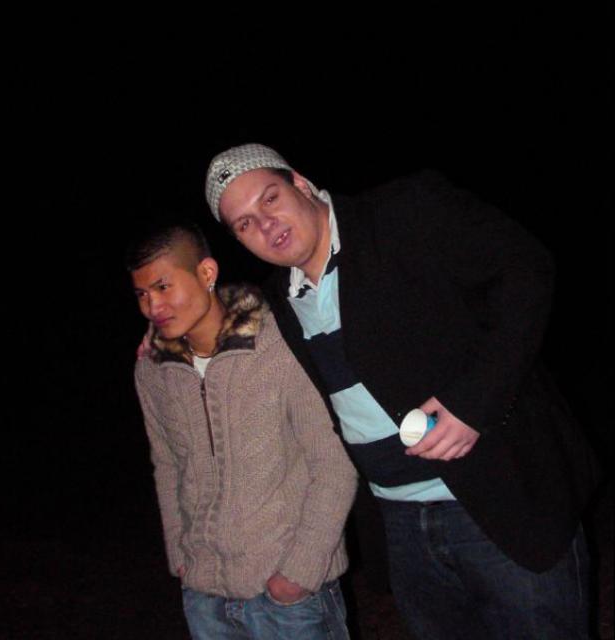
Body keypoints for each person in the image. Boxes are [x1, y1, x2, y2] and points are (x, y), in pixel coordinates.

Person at [204, 143, 602, 639]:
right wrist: (163, 337)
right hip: (401, 526)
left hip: (500, 504)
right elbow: (209, 332)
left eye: (270, 198)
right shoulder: (279, 302)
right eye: (244, 223)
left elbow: (525, 269)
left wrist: (473, 402)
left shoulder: (401, 213)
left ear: (300, 183)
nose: (265, 225)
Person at [128, 223, 357, 640]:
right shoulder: (153, 371)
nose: (152, 306)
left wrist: (300, 571)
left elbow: (333, 460)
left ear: (206, 273)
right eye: (142, 294)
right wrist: (180, 553)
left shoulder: (279, 344)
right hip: (205, 598)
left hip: (289, 599)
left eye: (163, 287)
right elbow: (167, 465)